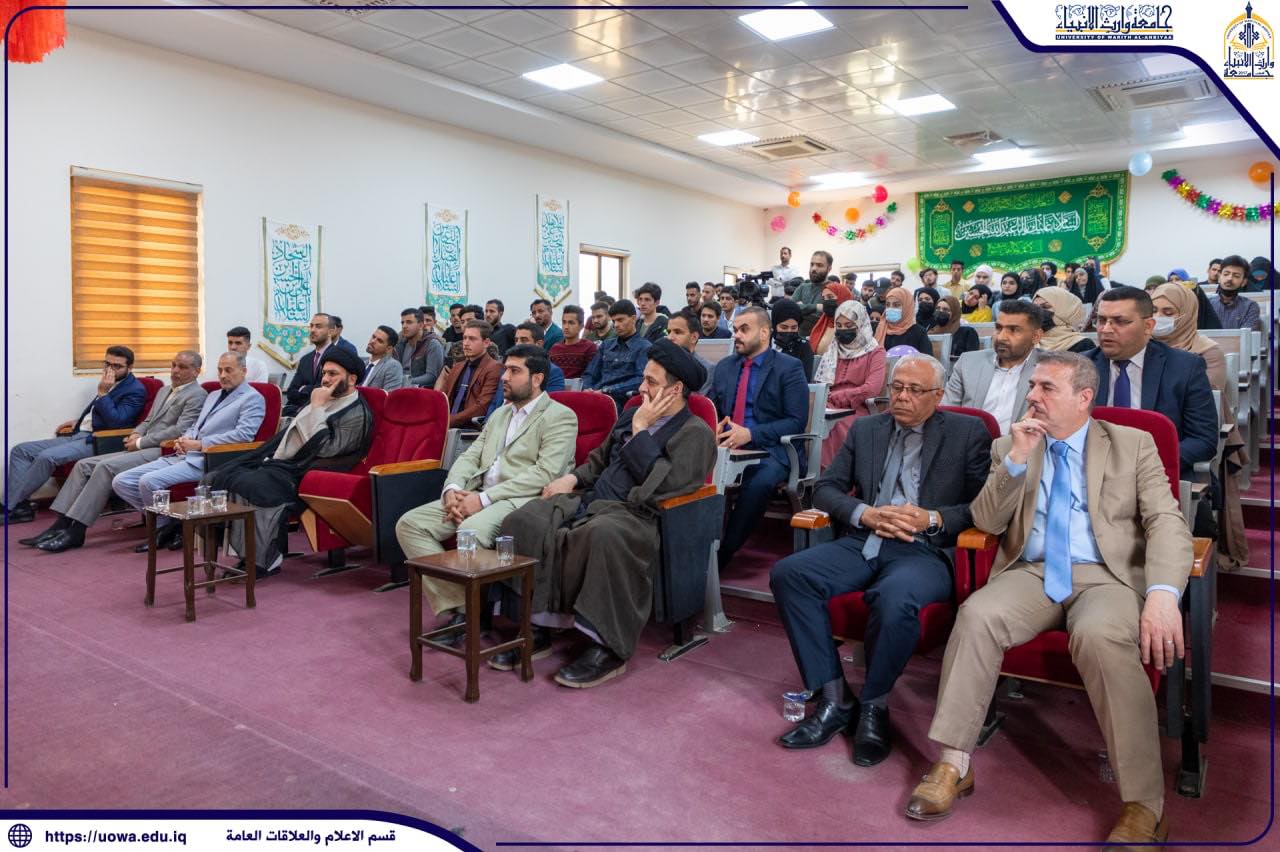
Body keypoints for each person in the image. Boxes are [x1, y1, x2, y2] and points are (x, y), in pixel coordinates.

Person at [906, 352, 1191, 848]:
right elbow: (987, 522)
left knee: (1100, 636)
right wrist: (1016, 460)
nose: (1032, 395)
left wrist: (1164, 594)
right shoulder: (1010, 444)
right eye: (1032, 385)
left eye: (1046, 388)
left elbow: (1166, 522)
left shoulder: (1132, 443)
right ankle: (953, 762)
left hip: (1107, 576)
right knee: (977, 615)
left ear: (1084, 398)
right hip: (1032, 571)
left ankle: (1144, 803)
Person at [773, 354, 991, 764]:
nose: (902, 397)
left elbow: (984, 506)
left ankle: (875, 705)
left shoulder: (967, 433)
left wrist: (932, 517)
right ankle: (836, 699)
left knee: (894, 597)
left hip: (925, 548)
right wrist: (864, 513)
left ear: (938, 396)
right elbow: (826, 488)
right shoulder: (867, 429)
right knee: (790, 574)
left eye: (914, 390)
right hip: (865, 539)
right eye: (897, 388)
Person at [496, 340, 716, 687]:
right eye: (643, 379)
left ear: (675, 390)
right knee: (522, 521)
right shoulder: (630, 415)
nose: (641, 388)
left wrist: (641, 432)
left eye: (651, 382)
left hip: (640, 516)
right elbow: (599, 461)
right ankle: (535, 626)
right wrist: (572, 478)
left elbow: (663, 486)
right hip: (592, 500)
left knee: (600, 535)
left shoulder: (695, 433)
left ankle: (605, 647)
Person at [396, 344, 577, 621]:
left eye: (514, 371)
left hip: (520, 499)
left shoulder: (560, 416)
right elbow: (471, 456)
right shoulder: (500, 414)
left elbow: (545, 473)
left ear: (537, 379)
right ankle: (462, 605)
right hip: (477, 492)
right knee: (410, 525)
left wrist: (482, 500)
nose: (505, 377)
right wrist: (453, 489)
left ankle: (469, 616)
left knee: (470, 530)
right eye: (505, 369)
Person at [21, 352, 208, 553]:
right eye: (173, 365)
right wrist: (136, 433)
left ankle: (77, 531)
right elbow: (148, 421)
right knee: (83, 465)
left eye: (182, 367)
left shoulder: (197, 395)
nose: (175, 370)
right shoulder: (164, 390)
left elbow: (179, 430)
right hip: (142, 445)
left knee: (105, 467)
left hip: (162, 449)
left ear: (196, 371)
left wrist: (140, 442)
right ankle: (60, 524)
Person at [210, 348, 373, 578]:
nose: (325, 380)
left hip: (307, 470)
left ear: (352, 379)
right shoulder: (323, 397)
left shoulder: (357, 412)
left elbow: (328, 450)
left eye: (333, 374)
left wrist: (317, 408)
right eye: (324, 373)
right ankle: (246, 554)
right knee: (221, 475)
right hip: (282, 464)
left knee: (253, 485)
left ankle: (264, 560)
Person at [113, 352, 266, 552]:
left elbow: (244, 435)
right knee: (121, 481)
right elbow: (196, 425)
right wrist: (183, 439)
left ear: (243, 371)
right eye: (220, 370)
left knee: (148, 482)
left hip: (212, 459)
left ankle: (160, 531)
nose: (222, 375)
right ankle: (171, 525)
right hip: (185, 454)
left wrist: (200, 444)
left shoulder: (252, 398)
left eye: (228, 370)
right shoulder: (213, 395)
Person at [708, 306, 809, 566]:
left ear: (764, 333)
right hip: (728, 445)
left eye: (744, 329)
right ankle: (695, 546)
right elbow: (712, 408)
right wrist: (714, 426)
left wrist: (751, 433)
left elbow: (796, 421)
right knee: (691, 470)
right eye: (735, 330)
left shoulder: (789, 367)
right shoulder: (725, 367)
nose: (737, 335)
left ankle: (722, 555)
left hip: (773, 449)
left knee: (758, 482)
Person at [4, 345, 147, 523]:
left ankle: (10, 507)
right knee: (20, 450)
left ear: (130, 368)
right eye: (107, 364)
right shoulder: (110, 381)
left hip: (98, 441)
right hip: (81, 433)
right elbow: (98, 413)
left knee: (46, 457)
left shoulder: (135, 390)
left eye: (117, 366)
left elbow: (117, 422)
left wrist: (103, 393)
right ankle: (19, 506)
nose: (110, 370)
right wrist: (79, 421)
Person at [1087, 287, 1217, 477]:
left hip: (1157, 473)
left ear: (1148, 326)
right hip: (1091, 472)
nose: (1105, 329)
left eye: (1120, 321)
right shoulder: (1081, 366)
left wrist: (1147, 464)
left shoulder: (1185, 367)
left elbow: (1203, 440)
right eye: (1101, 320)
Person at [944, 300, 1043, 435]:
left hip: (1019, 444)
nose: (1001, 337)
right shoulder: (968, 362)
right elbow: (947, 413)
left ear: (1036, 336)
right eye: (998, 328)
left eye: (1013, 330)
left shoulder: (1049, 369)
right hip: (967, 443)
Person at [817, 302, 885, 467]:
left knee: (833, 424)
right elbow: (820, 384)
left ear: (861, 325)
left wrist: (842, 396)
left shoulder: (875, 352)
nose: (843, 330)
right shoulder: (832, 350)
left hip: (857, 408)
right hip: (828, 404)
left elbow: (872, 388)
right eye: (839, 326)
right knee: (812, 418)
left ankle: (830, 472)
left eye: (849, 326)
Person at [582, 300, 651, 409]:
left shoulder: (644, 347)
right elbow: (590, 373)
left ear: (633, 319)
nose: (616, 325)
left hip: (622, 401)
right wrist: (587, 389)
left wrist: (607, 391)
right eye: (614, 321)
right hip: (595, 396)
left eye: (620, 320)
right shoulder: (606, 345)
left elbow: (640, 380)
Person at [485, 325, 565, 416]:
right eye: (516, 340)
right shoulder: (507, 368)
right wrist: (488, 421)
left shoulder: (552, 371)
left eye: (524, 340)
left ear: (539, 344)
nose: (518, 344)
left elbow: (548, 407)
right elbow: (495, 402)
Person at [435, 320, 502, 429]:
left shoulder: (494, 368)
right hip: (446, 425)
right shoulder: (457, 367)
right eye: (464, 338)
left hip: (469, 429)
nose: (466, 343)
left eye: (472, 339)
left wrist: (448, 422)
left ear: (486, 343)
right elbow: (442, 398)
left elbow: (481, 407)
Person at [283, 313, 335, 416]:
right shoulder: (305, 360)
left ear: (330, 332)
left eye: (318, 326)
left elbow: (327, 389)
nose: (312, 330)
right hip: (299, 412)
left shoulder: (337, 356)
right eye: (311, 326)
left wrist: (304, 389)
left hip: (326, 413)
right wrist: (309, 390)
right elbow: (291, 392)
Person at [663, 309, 714, 395]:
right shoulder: (661, 364)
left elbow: (696, 400)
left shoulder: (706, 369)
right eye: (668, 332)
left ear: (694, 337)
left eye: (677, 332)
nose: (669, 337)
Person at [395, 308, 446, 388]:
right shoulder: (400, 345)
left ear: (421, 325)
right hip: (398, 387)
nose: (404, 326)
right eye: (402, 323)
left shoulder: (432, 344)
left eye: (409, 322)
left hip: (420, 390)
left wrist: (405, 382)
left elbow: (431, 377)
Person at [1034, 287, 1095, 354]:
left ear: (1064, 310)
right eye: (1034, 307)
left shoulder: (1083, 345)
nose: (1037, 312)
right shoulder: (1030, 342)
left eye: (1045, 307)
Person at [1208, 255, 1261, 329]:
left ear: (1244, 282)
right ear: (1219, 277)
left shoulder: (1250, 307)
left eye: (1236, 276)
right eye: (1226, 274)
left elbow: (1247, 335)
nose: (1229, 278)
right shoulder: (1208, 304)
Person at [874, 287, 932, 355]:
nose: (891, 308)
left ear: (907, 307)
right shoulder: (880, 329)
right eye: (888, 305)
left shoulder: (919, 332)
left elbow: (927, 359)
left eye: (896, 305)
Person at [771, 298, 814, 381]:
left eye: (794, 328)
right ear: (774, 325)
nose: (789, 331)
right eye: (784, 327)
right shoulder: (764, 342)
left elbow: (804, 380)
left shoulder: (803, 347)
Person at [807, 281, 854, 357]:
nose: (826, 301)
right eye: (824, 298)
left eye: (830, 297)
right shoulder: (823, 322)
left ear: (842, 298)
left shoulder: (853, 326)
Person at [548, 305, 597, 379]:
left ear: (581, 326)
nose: (566, 327)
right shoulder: (555, 348)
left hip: (580, 385)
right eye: (564, 322)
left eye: (571, 323)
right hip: (557, 385)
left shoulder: (589, 348)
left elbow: (591, 375)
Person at [791, 251, 833, 333]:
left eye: (819, 265)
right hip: (799, 336)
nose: (813, 268)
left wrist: (803, 308)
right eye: (812, 264)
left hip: (822, 337)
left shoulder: (834, 289)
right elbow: (791, 309)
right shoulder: (803, 287)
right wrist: (817, 307)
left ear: (829, 269)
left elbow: (829, 316)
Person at [930, 296, 979, 362]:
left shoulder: (967, 333)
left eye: (945, 309)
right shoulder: (931, 332)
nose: (940, 311)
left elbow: (972, 360)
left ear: (954, 313)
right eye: (938, 308)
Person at [359, 325, 405, 390]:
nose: (373, 341)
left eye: (379, 341)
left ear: (388, 349)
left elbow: (389, 394)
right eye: (373, 337)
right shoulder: (362, 364)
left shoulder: (392, 366)